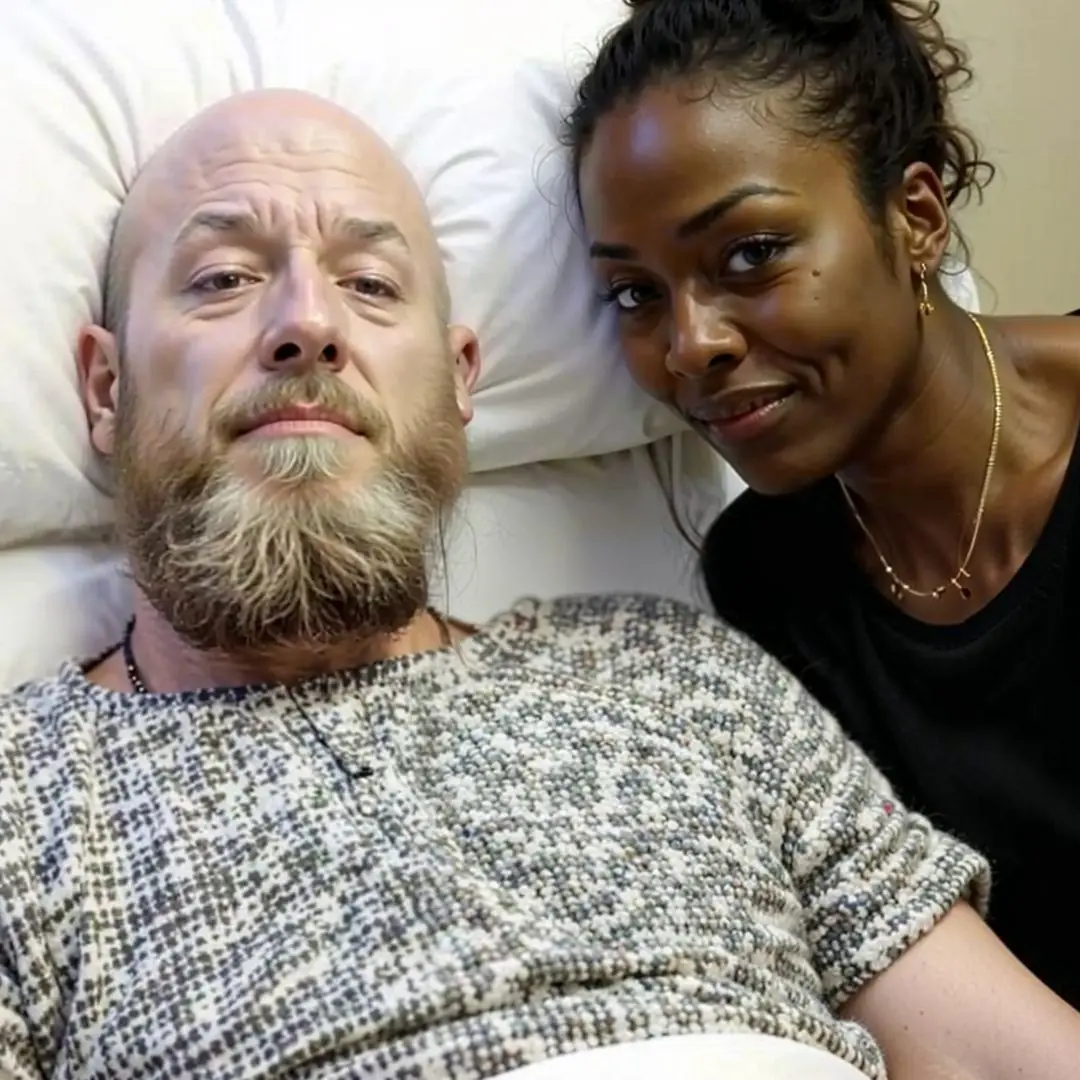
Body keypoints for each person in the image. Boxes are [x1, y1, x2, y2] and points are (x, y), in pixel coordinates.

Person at [1, 89, 1078, 1080]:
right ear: (106, 387)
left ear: (457, 381)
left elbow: (1001, 1056)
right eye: (223, 279)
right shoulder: (25, 800)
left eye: (370, 286)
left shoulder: (673, 675)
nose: (308, 324)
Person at [567, 0, 1080, 1008]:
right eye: (636, 294)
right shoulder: (767, 576)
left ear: (916, 218)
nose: (691, 345)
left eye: (751, 252)